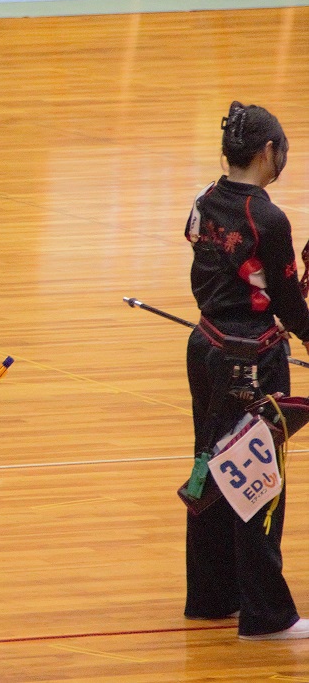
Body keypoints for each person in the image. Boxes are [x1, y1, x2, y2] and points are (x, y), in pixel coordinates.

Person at [184, 100, 309, 640]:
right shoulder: (268, 218)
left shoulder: (204, 200)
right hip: (253, 362)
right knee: (257, 478)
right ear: (266, 152)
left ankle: (212, 597)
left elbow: (215, 257)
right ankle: (265, 614)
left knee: (213, 463)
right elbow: (287, 303)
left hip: (206, 348)